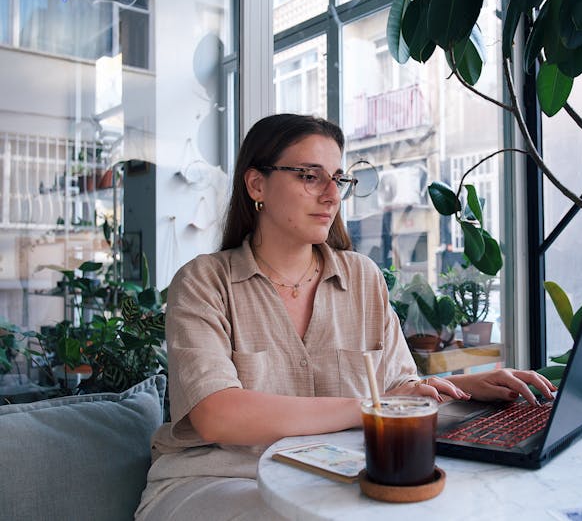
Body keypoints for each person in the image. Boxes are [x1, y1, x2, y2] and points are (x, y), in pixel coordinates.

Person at [135, 114, 555, 520]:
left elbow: (396, 388)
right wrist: (371, 406)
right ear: (256, 183)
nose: (332, 195)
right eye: (309, 176)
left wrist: (464, 387)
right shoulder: (205, 282)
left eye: (337, 179)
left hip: (329, 478)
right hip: (217, 479)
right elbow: (218, 415)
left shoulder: (362, 277)